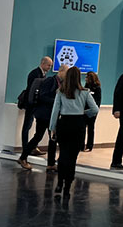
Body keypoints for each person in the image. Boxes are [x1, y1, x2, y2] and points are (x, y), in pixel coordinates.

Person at [48, 66, 99, 198]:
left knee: (63, 155)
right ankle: (67, 187)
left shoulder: (60, 92)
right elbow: (95, 109)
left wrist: (52, 128)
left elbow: (55, 111)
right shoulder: (85, 92)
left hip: (64, 124)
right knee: (72, 158)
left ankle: (59, 182)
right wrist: (83, 113)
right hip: (78, 125)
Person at [18, 65, 67, 170]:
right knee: (39, 136)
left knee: (52, 138)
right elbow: (42, 96)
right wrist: (56, 101)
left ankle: (50, 163)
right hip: (43, 115)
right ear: (61, 71)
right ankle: (23, 157)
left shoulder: (61, 83)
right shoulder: (50, 81)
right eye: (66, 73)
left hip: (51, 115)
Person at [21, 57, 52, 154]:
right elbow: (32, 90)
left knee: (36, 128)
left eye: (51, 66)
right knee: (27, 126)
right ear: (43, 63)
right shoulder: (34, 74)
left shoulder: (42, 74)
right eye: (48, 65)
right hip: (31, 105)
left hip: (37, 105)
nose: (50, 67)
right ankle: (25, 148)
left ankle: (32, 147)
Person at [83, 71, 102, 152]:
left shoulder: (97, 88)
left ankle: (89, 146)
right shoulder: (86, 87)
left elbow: (98, 101)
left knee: (90, 128)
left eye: (87, 77)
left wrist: (94, 111)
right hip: (84, 111)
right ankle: (81, 145)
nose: (85, 79)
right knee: (83, 128)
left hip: (92, 111)